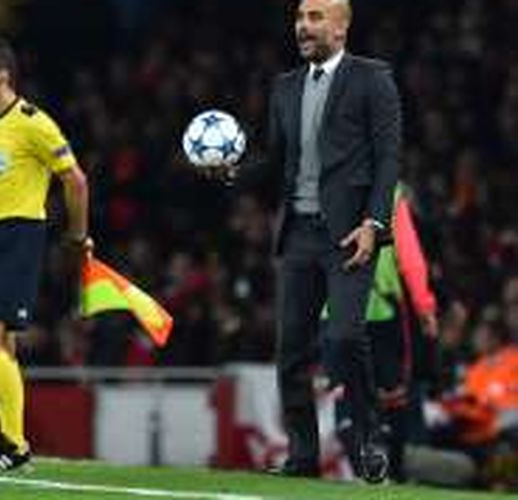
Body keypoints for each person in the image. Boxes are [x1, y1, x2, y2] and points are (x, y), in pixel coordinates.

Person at [221, 0, 400, 482]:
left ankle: (368, 436)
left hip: (349, 234)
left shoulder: (372, 78)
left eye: (316, 17)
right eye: (300, 17)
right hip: (298, 233)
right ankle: (303, 456)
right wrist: (233, 171)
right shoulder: (285, 87)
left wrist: (374, 223)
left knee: (343, 337)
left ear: (341, 27)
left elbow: (388, 158)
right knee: (291, 351)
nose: (303, 26)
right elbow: (278, 160)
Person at [0, 37, 91, 472]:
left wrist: (77, 236)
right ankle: (12, 444)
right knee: (4, 348)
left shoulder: (34, 122)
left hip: (21, 235)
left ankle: (14, 446)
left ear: (2, 75)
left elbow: (76, 180)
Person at [326, 182, 438, 482]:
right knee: (392, 400)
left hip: (338, 308)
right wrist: (424, 305)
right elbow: (409, 253)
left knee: (346, 395)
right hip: (381, 312)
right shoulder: (390, 190)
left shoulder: (323, 176)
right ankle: (390, 478)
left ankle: (370, 478)